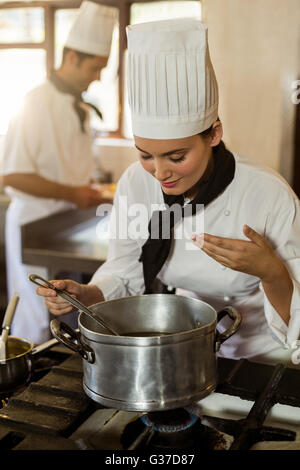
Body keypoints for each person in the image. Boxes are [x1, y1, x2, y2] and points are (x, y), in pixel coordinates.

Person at [35, 19, 300, 363]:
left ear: (214, 135)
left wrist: (271, 271)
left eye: (177, 156)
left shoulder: (267, 195)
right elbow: (125, 267)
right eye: (145, 155)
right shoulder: (137, 182)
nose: (160, 173)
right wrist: (88, 294)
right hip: (191, 348)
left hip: (267, 358)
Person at [1, 1, 117, 343]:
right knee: (34, 316)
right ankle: (22, 382)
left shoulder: (79, 106)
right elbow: (12, 176)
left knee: (66, 309)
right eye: (95, 67)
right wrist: (74, 193)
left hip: (69, 222)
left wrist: (87, 188)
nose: (97, 77)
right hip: (33, 224)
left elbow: (71, 170)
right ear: (71, 58)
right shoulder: (34, 103)